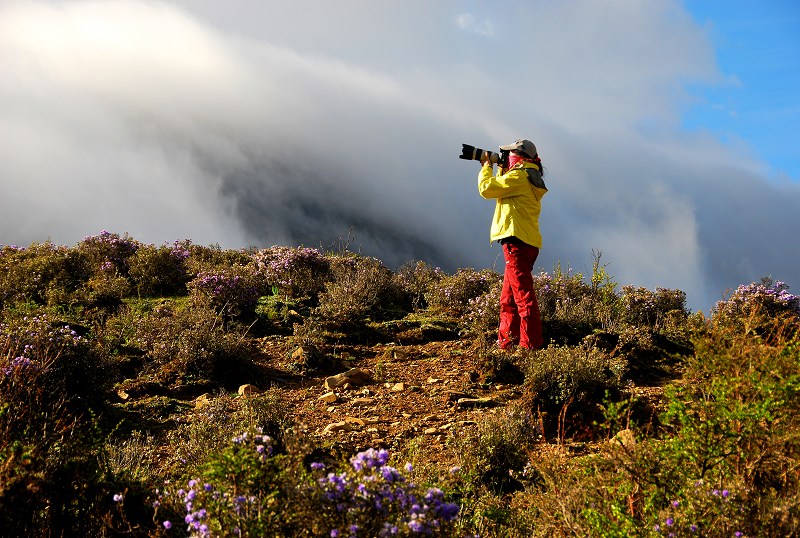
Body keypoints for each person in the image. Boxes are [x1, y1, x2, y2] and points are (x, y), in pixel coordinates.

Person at [477, 139, 548, 350]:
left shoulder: (520, 175)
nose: (506, 159)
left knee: (523, 298)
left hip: (516, 242)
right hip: (525, 242)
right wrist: (501, 169)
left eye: (509, 155)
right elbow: (504, 190)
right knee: (508, 300)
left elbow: (488, 189)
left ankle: (530, 348)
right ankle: (506, 345)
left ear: (519, 156)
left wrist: (486, 167)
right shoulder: (528, 175)